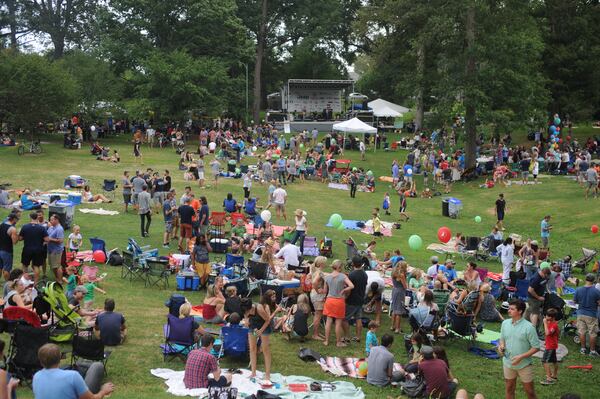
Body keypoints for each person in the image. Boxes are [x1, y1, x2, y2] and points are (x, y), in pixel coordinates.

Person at [33, 343, 114, 399]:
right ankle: (83, 364)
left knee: (89, 366)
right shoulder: (72, 376)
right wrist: (103, 391)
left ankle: (82, 364)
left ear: (40, 361)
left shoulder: (36, 376)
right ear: (59, 359)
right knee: (98, 366)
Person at [499, 299, 540, 399]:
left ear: (520, 311)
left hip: (524, 365)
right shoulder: (505, 323)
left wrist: (521, 357)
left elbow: (536, 347)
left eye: (512, 309)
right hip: (508, 363)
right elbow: (502, 339)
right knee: (509, 389)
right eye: (509, 308)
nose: (509, 310)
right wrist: (501, 346)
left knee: (530, 392)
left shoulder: (529, 327)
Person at [245, 291, 281, 383]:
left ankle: (267, 374)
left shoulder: (260, 308)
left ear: (251, 308)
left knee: (265, 349)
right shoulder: (245, 308)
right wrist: (246, 321)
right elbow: (246, 320)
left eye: (247, 311)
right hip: (253, 327)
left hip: (264, 326)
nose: (246, 312)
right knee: (252, 348)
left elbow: (268, 320)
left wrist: (260, 331)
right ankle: (253, 372)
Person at [323, 260, 354, 347]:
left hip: (329, 300)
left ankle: (326, 341)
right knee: (338, 322)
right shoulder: (343, 276)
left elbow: (325, 291)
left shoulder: (327, 277)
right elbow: (352, 286)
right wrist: (344, 289)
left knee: (328, 321)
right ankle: (338, 342)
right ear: (339, 267)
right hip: (339, 301)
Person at [573, 273, 600, 356]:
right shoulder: (596, 291)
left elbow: (575, 301)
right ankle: (592, 351)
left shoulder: (578, 289)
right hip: (591, 314)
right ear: (594, 280)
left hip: (580, 313)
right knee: (592, 333)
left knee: (582, 332)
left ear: (585, 279)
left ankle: (583, 349)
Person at [18, 211, 49, 284]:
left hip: (27, 249)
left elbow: (20, 239)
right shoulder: (42, 228)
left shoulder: (25, 227)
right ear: (37, 217)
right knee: (36, 266)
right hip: (38, 250)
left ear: (30, 217)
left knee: (25, 265)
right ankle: (35, 283)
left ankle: (24, 282)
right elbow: (47, 239)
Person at [344, 256, 368, 343]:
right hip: (360, 299)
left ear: (353, 264)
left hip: (351, 300)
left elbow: (349, 289)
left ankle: (347, 337)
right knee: (358, 319)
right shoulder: (364, 274)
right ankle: (358, 337)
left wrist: (345, 297)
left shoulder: (352, 274)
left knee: (345, 319)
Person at [540, 308, 559, 385]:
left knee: (544, 361)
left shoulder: (554, 325)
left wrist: (544, 323)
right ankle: (554, 375)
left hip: (551, 346)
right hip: (550, 344)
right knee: (554, 361)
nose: (545, 317)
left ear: (552, 317)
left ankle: (549, 378)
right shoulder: (550, 322)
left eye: (547, 316)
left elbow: (547, 333)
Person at [309, 256, 327, 340]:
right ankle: (315, 334)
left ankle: (317, 332)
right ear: (321, 263)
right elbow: (314, 282)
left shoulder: (316, 271)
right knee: (318, 315)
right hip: (317, 295)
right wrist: (317, 290)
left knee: (318, 315)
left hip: (315, 294)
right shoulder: (319, 273)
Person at [0, 213, 19, 281]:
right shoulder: (12, 229)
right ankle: (7, 283)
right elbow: (15, 242)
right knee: (7, 269)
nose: (18, 220)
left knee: (0, 267)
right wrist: (17, 235)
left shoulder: (1, 224)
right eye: (17, 219)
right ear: (14, 219)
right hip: (7, 251)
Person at [391, 261, 408, 334]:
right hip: (400, 291)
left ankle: (392, 326)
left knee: (394, 309)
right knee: (399, 311)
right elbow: (405, 286)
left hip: (394, 290)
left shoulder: (393, 272)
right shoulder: (401, 275)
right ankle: (397, 328)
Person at [46, 215, 65, 282]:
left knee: (57, 266)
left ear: (56, 220)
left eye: (52, 220)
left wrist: (50, 239)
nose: (50, 221)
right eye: (50, 220)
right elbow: (46, 235)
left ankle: (60, 281)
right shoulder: (51, 227)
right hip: (50, 250)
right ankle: (57, 278)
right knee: (53, 266)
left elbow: (60, 241)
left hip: (56, 251)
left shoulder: (59, 229)